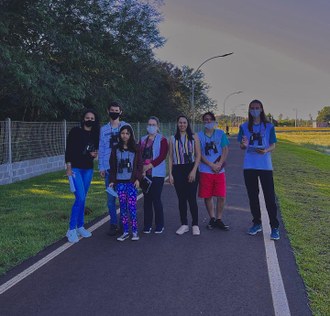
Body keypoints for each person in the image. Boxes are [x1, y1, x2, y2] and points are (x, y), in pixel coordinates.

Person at [237, 99, 280, 240]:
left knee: (269, 197)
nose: (254, 110)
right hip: (249, 166)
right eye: (252, 108)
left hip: (265, 166)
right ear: (249, 110)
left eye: (257, 107)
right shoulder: (244, 126)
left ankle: (274, 226)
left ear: (261, 109)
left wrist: (266, 150)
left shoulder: (269, 126)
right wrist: (243, 145)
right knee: (253, 197)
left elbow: (273, 145)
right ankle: (257, 223)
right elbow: (242, 146)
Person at [65, 109, 100, 243]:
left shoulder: (95, 134)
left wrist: (94, 155)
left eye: (92, 118)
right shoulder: (75, 131)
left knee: (83, 198)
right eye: (87, 117)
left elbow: (94, 151)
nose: (89, 120)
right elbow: (68, 150)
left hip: (88, 169)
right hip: (75, 169)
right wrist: (68, 167)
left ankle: (80, 226)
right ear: (83, 118)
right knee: (79, 197)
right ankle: (71, 229)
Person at [98, 101, 129, 236]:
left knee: (123, 198)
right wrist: (101, 167)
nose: (114, 112)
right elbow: (101, 148)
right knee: (111, 199)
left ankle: (123, 223)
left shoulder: (126, 126)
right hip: (109, 169)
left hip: (122, 169)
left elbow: (131, 145)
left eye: (117, 110)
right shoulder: (103, 129)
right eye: (112, 110)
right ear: (108, 111)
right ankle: (113, 224)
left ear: (120, 112)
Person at [109, 125, 143, 241]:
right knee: (123, 208)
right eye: (123, 133)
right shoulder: (115, 149)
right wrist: (112, 181)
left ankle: (134, 231)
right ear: (120, 134)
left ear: (130, 135)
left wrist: (138, 179)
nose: (125, 135)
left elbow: (139, 165)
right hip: (120, 183)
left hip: (131, 183)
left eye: (127, 133)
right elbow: (112, 166)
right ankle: (125, 232)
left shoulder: (136, 148)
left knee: (132, 208)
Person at [168, 115, 201, 236]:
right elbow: (171, 157)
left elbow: (198, 155)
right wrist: (170, 174)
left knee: (191, 197)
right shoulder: (172, 138)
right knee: (181, 199)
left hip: (191, 167)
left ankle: (195, 224)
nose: (182, 124)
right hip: (178, 169)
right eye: (180, 122)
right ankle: (184, 224)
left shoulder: (194, 137)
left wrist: (193, 171)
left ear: (188, 124)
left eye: (184, 122)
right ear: (177, 124)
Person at [198, 112, 230, 231]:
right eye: (206, 120)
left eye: (210, 119)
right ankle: (212, 218)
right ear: (203, 121)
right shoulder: (199, 135)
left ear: (214, 121)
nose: (208, 122)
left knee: (221, 196)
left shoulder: (221, 134)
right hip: (205, 170)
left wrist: (220, 163)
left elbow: (225, 149)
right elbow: (199, 154)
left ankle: (219, 219)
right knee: (208, 196)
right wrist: (211, 164)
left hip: (219, 171)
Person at [139, 116, 168, 234]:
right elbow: (139, 155)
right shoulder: (142, 139)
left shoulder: (162, 139)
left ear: (158, 126)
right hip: (144, 174)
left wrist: (149, 166)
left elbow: (162, 156)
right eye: (149, 124)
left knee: (156, 199)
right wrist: (142, 169)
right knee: (147, 200)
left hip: (157, 174)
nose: (151, 127)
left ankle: (160, 224)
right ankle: (147, 225)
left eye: (153, 125)